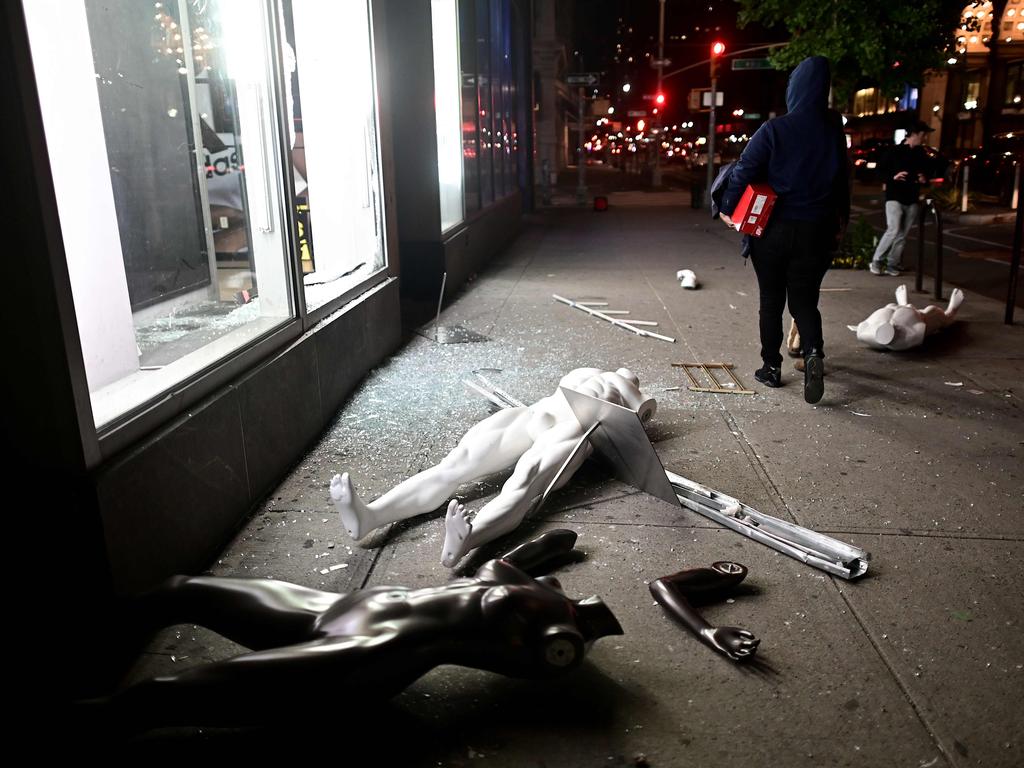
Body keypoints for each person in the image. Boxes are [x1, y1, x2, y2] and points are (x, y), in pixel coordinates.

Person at [97, 529, 623, 729]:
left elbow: (539, 652)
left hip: (371, 651)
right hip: (337, 608)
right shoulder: (543, 594)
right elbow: (519, 558)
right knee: (181, 588)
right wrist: (546, 548)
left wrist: (564, 636)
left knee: (165, 694)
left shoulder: (554, 639)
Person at [331, 368, 656, 568]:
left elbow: (629, 434)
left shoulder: (636, 395)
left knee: (526, 480)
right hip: (534, 414)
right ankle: (369, 516)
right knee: (456, 463)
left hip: (576, 428)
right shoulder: (590, 373)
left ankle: (469, 538)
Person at [718, 56, 850, 404]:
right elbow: (843, 184)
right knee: (805, 301)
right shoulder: (834, 131)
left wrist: (730, 210)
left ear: (795, 89)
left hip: (772, 230)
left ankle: (771, 367)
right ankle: (813, 355)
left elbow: (744, 170)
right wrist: (842, 222)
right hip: (816, 232)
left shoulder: (775, 130)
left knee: (771, 301)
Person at [869, 121, 933, 277]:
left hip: (912, 197)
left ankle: (893, 263)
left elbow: (929, 172)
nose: (924, 139)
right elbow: (878, 172)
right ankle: (877, 260)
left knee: (902, 234)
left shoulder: (921, 153)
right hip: (894, 196)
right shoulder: (894, 151)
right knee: (894, 228)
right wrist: (893, 177)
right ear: (914, 134)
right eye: (923, 135)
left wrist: (924, 178)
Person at [851, 284, 964, 350]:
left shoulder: (867, 331)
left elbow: (862, 327)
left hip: (896, 315)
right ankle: (951, 310)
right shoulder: (909, 337)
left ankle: (903, 303)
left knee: (891, 306)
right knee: (932, 311)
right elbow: (923, 322)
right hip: (918, 318)